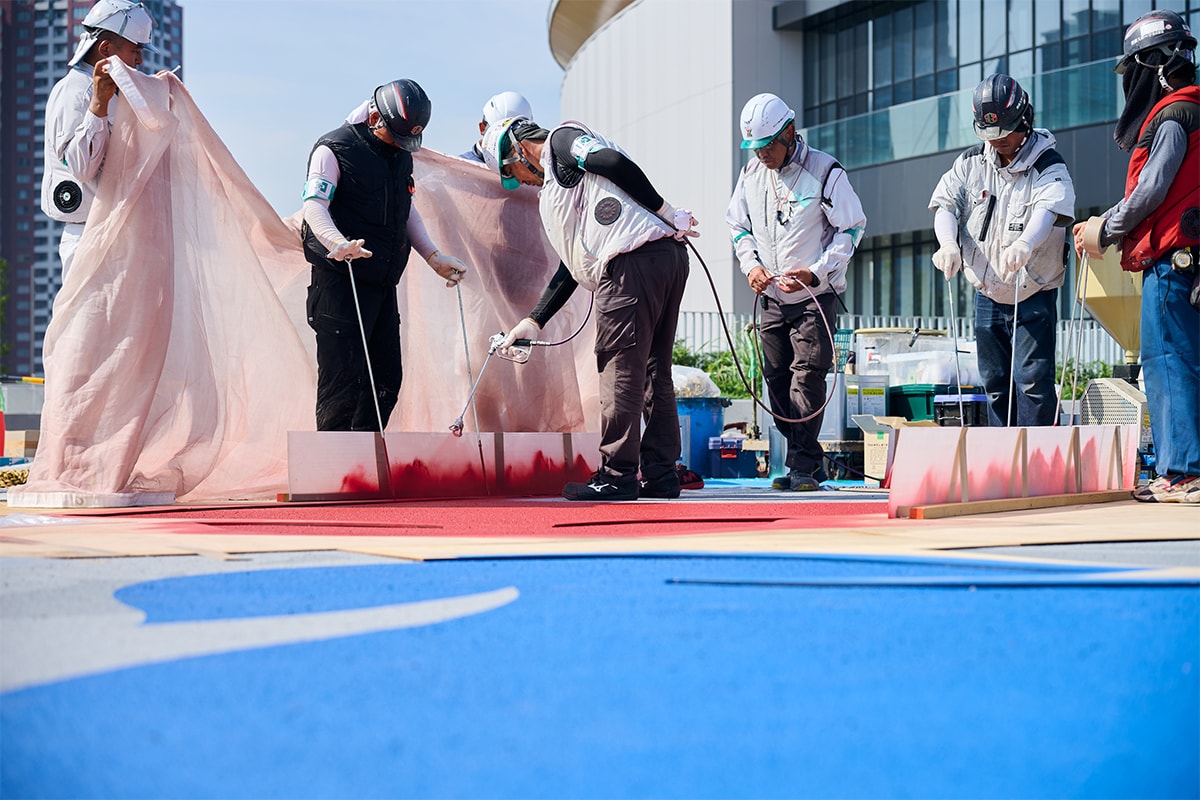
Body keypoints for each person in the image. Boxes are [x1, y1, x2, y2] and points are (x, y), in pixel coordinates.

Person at [479, 116, 697, 500]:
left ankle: (616, 475)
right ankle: (662, 473)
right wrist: (534, 321)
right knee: (653, 371)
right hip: (664, 257)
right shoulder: (568, 187)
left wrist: (665, 209)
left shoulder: (561, 142)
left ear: (518, 149)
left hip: (631, 264)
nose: (521, 183)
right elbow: (571, 265)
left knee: (619, 367)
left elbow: (612, 162)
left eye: (512, 173)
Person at [1073, 10, 1199, 504]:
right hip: (1192, 261)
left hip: (1174, 267)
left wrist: (1103, 230)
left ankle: (1182, 472)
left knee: (1169, 363)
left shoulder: (1173, 117)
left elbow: (1151, 191)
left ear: (1152, 64)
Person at [301, 78, 470, 431]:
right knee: (342, 386)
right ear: (376, 117)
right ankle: (334, 460)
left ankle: (364, 456)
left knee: (386, 381)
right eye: (396, 136)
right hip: (340, 284)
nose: (400, 145)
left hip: (381, 285)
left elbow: (406, 210)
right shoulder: (333, 148)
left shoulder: (399, 155)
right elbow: (315, 205)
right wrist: (337, 243)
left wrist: (432, 256)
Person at [726, 93, 866, 491]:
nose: (762, 154)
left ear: (789, 132)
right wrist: (751, 266)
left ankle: (802, 466)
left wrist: (815, 273)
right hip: (772, 296)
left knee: (806, 377)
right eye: (755, 147)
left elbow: (852, 228)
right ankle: (808, 459)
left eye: (768, 145)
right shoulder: (750, 174)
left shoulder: (825, 171)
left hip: (813, 298)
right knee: (775, 379)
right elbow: (737, 226)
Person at [929, 74, 1076, 428]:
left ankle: (1037, 452)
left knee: (1032, 381)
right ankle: (1004, 451)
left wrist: (1027, 242)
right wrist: (947, 243)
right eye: (990, 133)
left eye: (1005, 132)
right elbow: (946, 204)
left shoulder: (1048, 165)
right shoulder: (970, 164)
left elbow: (1048, 210)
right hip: (988, 291)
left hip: (1034, 289)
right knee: (994, 381)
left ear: (1024, 120)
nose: (998, 140)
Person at [41, 0, 157, 279]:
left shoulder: (115, 93)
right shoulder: (74, 92)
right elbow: (79, 167)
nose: (139, 60)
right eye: (135, 50)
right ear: (105, 49)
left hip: (116, 234)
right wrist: (97, 107)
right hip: (87, 236)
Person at [459, 91, 533, 162]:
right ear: (482, 128)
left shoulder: (529, 166)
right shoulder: (459, 166)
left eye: (516, 134)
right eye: (501, 135)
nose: (509, 141)